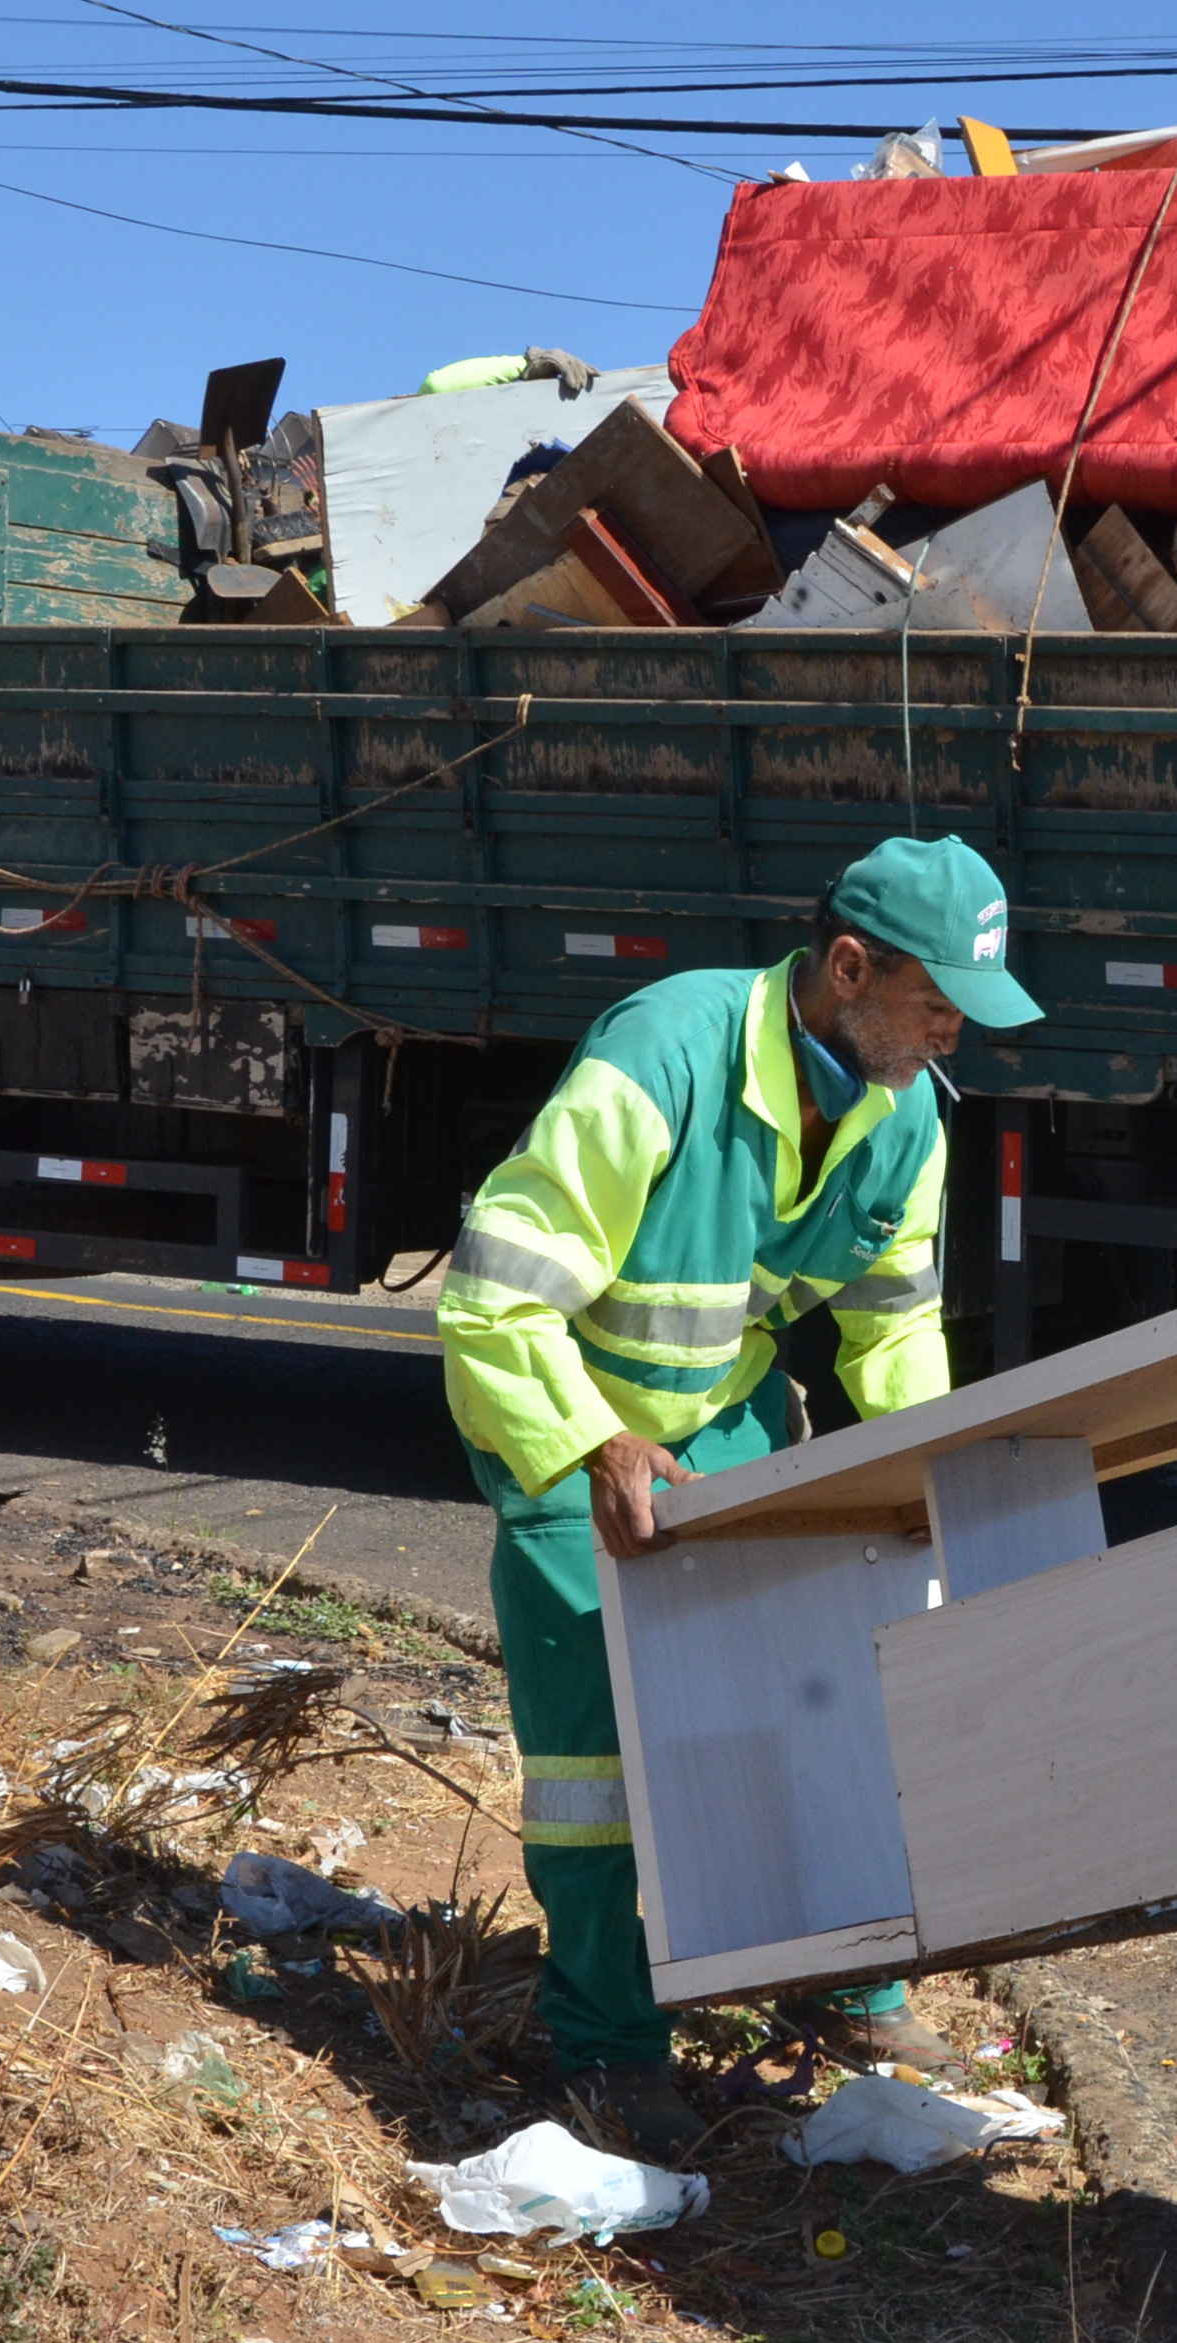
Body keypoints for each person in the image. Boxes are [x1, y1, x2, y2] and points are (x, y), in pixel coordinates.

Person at [436, 835, 1042, 2160]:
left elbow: (892, 1334)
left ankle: (842, 1979)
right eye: (936, 1003)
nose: (951, 1037)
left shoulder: (909, 1117)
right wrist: (594, 1447)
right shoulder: (665, 1054)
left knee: (824, 1686)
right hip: (569, 1420)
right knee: (597, 1763)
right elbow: (492, 1300)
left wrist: (940, 1470)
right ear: (845, 967)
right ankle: (607, 2046)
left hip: (725, 1418)